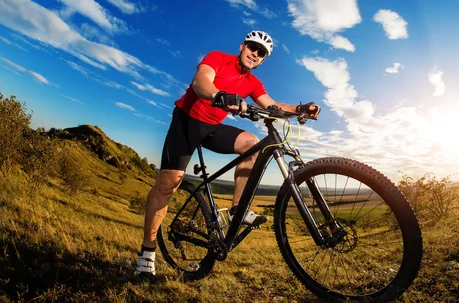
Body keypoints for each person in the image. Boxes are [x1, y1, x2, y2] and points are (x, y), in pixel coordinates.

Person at [135, 30, 321, 279]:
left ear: (263, 60)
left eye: (261, 53)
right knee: (168, 184)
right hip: (186, 122)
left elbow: (272, 105)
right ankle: (148, 251)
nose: (255, 54)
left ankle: (237, 210)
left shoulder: (252, 82)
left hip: (212, 127)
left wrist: (300, 108)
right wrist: (218, 95)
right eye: (252, 48)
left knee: (251, 143)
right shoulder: (218, 58)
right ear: (243, 46)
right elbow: (201, 81)